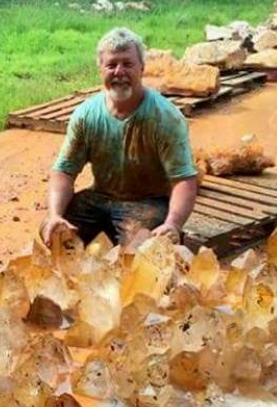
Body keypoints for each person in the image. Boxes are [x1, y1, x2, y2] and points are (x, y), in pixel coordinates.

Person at [40, 27, 199, 247]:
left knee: (144, 252)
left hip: (147, 202)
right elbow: (64, 171)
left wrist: (173, 223)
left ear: (142, 68)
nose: (119, 72)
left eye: (127, 64)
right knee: (54, 232)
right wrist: (55, 215)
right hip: (100, 198)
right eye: (111, 65)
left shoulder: (165, 117)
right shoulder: (86, 115)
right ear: (100, 70)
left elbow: (184, 180)